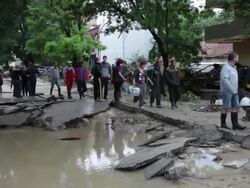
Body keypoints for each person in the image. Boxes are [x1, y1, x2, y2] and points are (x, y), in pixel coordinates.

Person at [220, 52, 246, 130]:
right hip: (227, 90)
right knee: (226, 106)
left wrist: (235, 90)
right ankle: (223, 124)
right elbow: (225, 80)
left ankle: (235, 125)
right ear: (233, 58)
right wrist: (231, 89)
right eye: (237, 57)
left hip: (234, 90)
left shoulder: (234, 67)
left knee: (235, 106)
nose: (238, 58)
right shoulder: (226, 67)